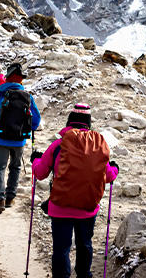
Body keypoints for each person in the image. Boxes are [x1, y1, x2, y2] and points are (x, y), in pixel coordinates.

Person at [32, 103, 118, 278]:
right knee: (84, 244)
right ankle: (84, 275)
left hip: (60, 207)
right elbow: (108, 176)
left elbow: (40, 173)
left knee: (61, 248)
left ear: (69, 121)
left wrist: (35, 160)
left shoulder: (58, 145)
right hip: (87, 207)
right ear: (88, 123)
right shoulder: (98, 146)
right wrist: (115, 168)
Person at [0, 62, 41, 214]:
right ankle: (10, 198)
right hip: (19, 139)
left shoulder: (0, 94)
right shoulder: (27, 97)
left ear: (7, 78)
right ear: (20, 80)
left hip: (1, 138)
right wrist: (30, 128)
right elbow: (36, 119)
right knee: (15, 167)